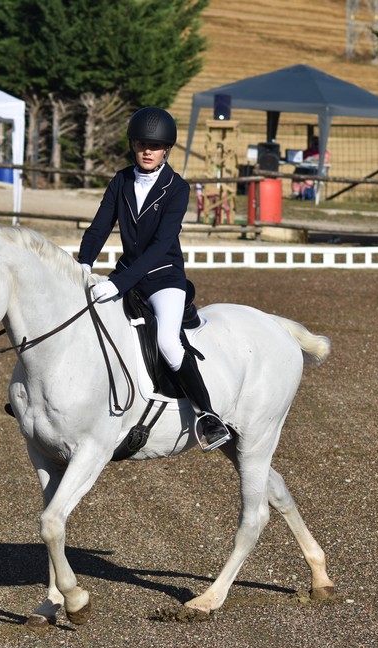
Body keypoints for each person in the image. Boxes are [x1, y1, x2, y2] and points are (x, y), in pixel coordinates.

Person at [77, 107, 231, 451]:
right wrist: (84, 265)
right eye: (142, 144)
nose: (148, 151)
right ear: (133, 146)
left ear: (166, 150)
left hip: (164, 278)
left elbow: (162, 245)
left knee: (167, 343)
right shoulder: (121, 181)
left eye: (155, 146)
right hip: (127, 274)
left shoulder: (177, 188)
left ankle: (207, 415)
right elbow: (101, 226)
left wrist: (118, 283)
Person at [291, 136, 330, 200]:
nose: (315, 144)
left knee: (309, 179)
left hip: (317, 172)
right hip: (305, 170)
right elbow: (301, 159)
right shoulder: (308, 151)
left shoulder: (324, 152)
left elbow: (325, 160)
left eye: (317, 142)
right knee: (296, 174)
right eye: (314, 142)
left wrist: (314, 160)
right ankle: (296, 193)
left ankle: (305, 194)